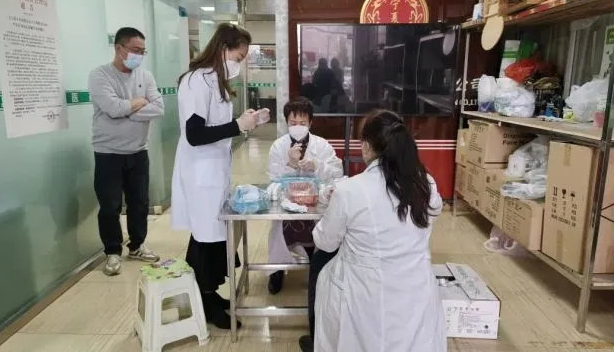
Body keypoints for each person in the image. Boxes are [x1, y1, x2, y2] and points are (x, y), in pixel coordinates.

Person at [299, 109, 445, 352]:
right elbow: (434, 211)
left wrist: (333, 207)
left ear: (366, 146)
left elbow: (325, 242)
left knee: (319, 262)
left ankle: (315, 339)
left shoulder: (351, 190)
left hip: (365, 293)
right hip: (416, 289)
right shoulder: (424, 183)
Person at [171, 23, 266, 330]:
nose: (241, 63)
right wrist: (238, 125)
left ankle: (208, 293)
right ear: (224, 49)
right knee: (205, 238)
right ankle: (206, 299)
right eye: (239, 56)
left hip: (213, 171)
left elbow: (221, 129)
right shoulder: (196, 81)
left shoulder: (216, 81)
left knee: (211, 237)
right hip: (200, 174)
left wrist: (246, 122)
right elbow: (195, 134)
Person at [88, 27, 164, 276]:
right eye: (134, 50)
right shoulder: (100, 76)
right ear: (119, 48)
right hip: (108, 153)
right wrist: (136, 104)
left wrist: (126, 108)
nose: (139, 55)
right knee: (110, 206)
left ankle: (137, 246)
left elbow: (159, 108)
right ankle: (112, 251)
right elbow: (111, 107)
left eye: (143, 51)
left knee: (139, 203)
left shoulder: (145, 76)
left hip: (138, 151)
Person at [266, 96, 343, 294]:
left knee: (318, 234)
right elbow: (273, 179)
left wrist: (317, 166)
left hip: (314, 202)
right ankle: (278, 270)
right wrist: (290, 164)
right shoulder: (278, 146)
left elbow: (337, 172)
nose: (298, 126)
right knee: (280, 230)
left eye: (302, 123)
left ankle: (316, 267)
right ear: (286, 122)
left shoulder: (322, 145)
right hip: (287, 204)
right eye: (293, 123)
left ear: (310, 122)